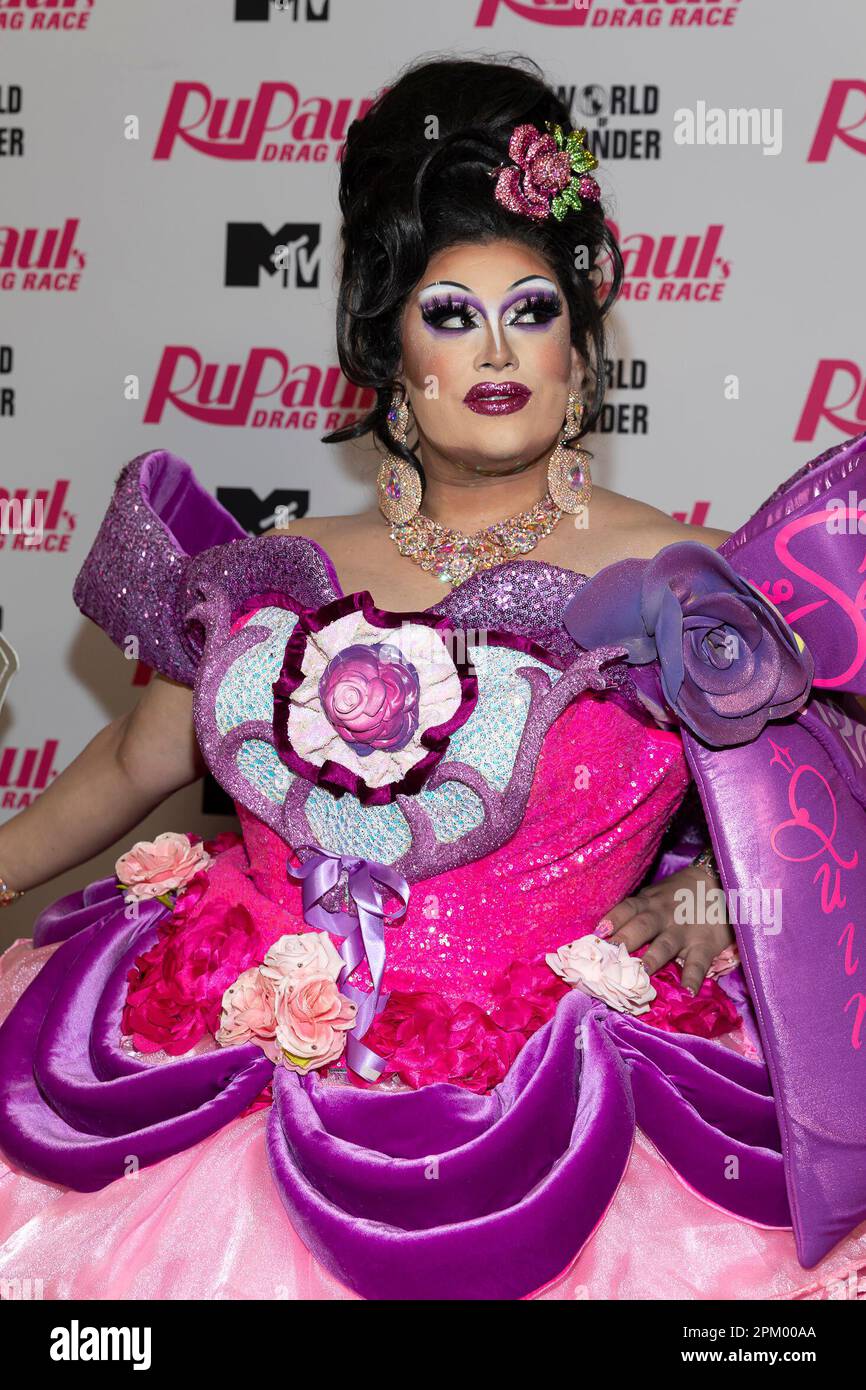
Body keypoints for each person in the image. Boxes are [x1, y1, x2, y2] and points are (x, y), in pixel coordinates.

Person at [0, 55, 865, 1302]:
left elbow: (823, 820)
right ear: (385, 342)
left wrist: (716, 916)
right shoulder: (266, 570)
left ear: (581, 333)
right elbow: (142, 760)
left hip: (562, 1105)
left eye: (532, 308)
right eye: (449, 315)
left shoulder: (692, 583)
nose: (495, 349)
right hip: (227, 1064)